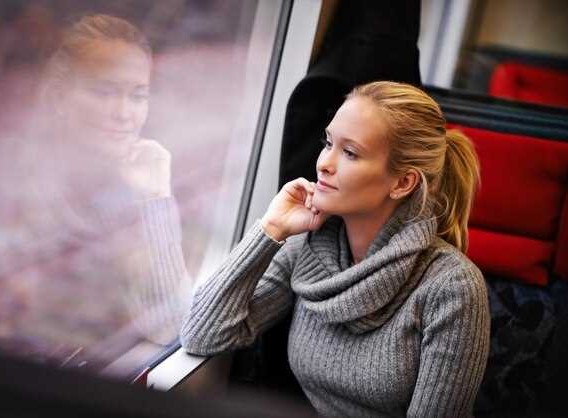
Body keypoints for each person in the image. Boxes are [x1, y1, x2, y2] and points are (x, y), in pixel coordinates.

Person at [181, 81, 491, 417]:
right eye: (328, 143)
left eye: (350, 153)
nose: (324, 164)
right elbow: (203, 334)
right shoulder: (307, 247)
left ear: (403, 183)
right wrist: (271, 228)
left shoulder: (451, 286)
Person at [0, 14, 192, 364]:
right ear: (59, 96)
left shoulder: (128, 190)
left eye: (138, 96)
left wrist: (156, 198)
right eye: (104, 92)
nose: (124, 113)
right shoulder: (0, 171)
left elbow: (172, 324)